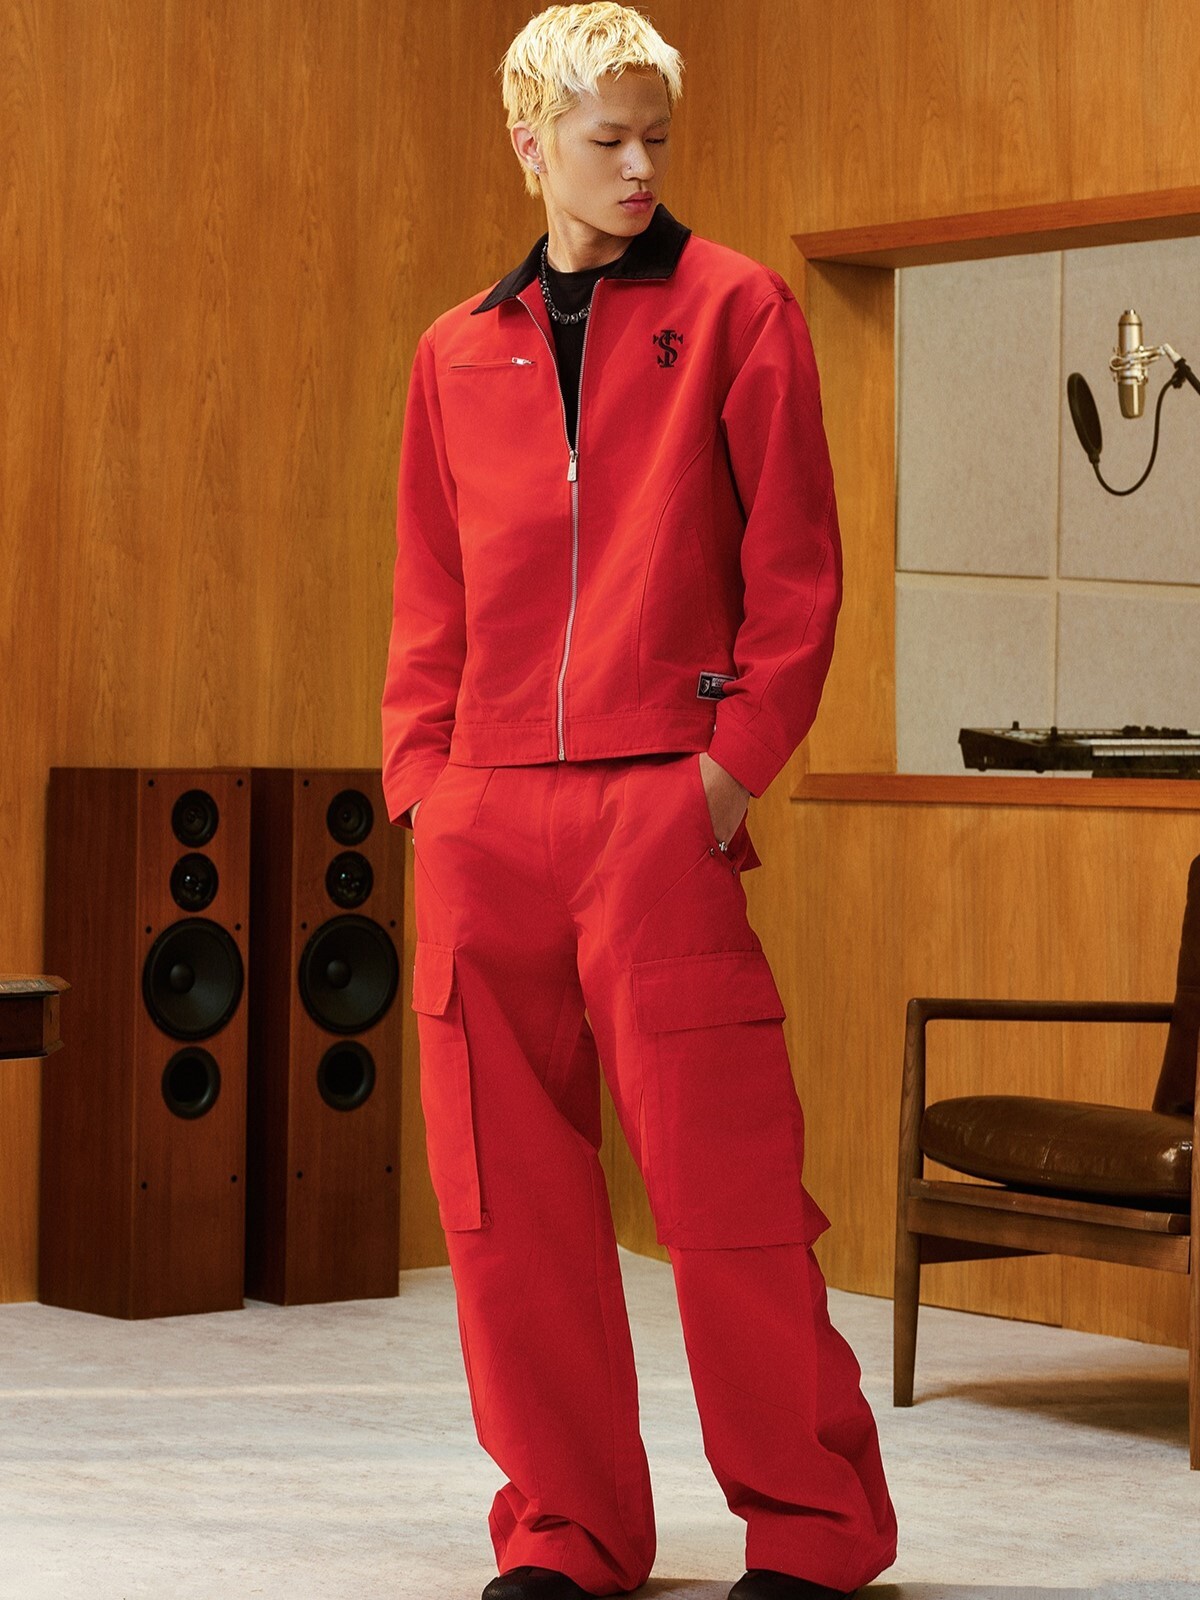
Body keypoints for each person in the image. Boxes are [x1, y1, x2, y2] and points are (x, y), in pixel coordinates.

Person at [380, 6, 899, 1598]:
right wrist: (424, 786)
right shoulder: (454, 351)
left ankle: (813, 1532)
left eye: (655, 139)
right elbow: (430, 592)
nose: (637, 168)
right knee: (506, 1211)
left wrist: (724, 775)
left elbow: (795, 575)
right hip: (485, 819)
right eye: (605, 139)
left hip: (657, 812)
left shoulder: (738, 309)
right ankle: (568, 1530)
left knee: (729, 1192)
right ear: (529, 142)